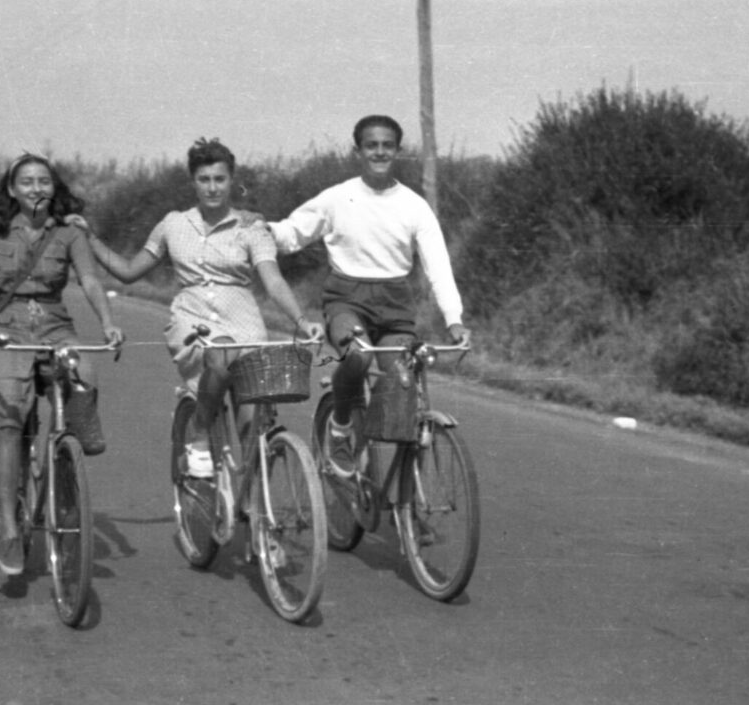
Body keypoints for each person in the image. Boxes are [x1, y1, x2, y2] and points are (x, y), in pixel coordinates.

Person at [73, 138, 324, 478]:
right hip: (192, 322)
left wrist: (301, 320)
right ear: (193, 182)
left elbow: (274, 281)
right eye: (204, 180)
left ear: (232, 181)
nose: (212, 188)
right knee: (218, 359)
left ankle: (251, 509)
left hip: (244, 323)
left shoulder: (251, 227)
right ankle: (200, 433)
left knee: (253, 424)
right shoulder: (173, 224)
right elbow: (129, 272)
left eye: (219, 179)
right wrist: (90, 238)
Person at [0, 154, 123, 576]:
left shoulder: (68, 232)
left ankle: (73, 442)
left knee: (84, 372)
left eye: (44, 181)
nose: (36, 188)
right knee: (9, 420)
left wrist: (109, 323)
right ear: (11, 190)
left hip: (56, 325)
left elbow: (91, 281)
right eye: (27, 182)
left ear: (53, 189)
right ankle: (7, 529)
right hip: (6, 328)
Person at [265, 115, 470, 477]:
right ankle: (341, 428)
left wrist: (454, 319)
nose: (379, 152)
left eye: (387, 145)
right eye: (371, 145)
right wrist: (260, 229)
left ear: (398, 151)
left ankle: (407, 505)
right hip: (347, 300)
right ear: (358, 150)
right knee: (357, 356)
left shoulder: (414, 206)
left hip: (395, 306)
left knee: (404, 386)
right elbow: (292, 233)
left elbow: (438, 266)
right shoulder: (337, 197)